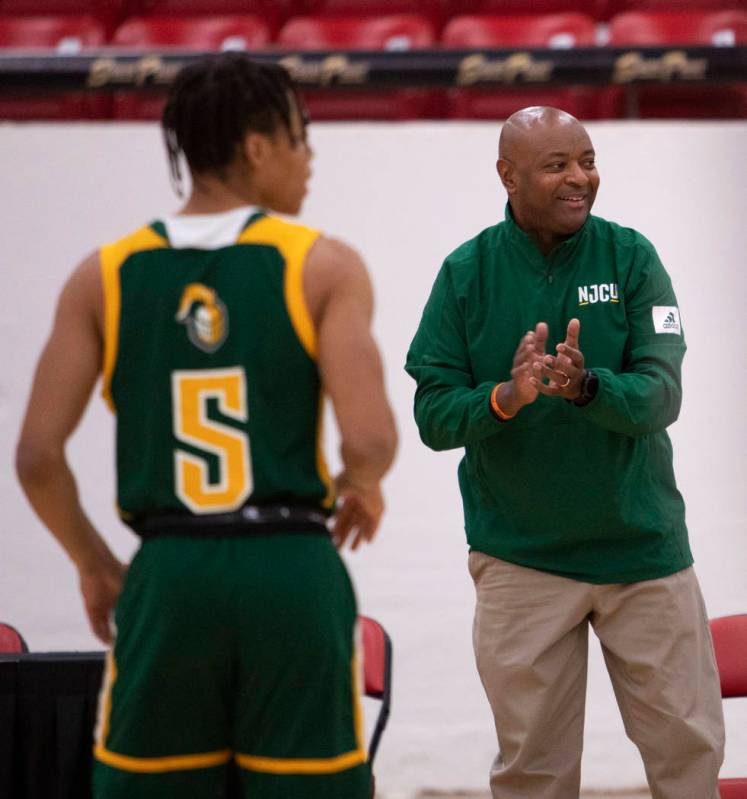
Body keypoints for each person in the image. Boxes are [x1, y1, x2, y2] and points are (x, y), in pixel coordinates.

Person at [15, 53, 397, 799]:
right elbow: (371, 438)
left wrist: (94, 563)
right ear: (257, 147)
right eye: (300, 137)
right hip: (289, 568)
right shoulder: (323, 265)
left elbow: (36, 456)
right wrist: (363, 482)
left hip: (171, 568)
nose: (309, 158)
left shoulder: (104, 273)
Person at [405, 106, 724, 799]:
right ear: (507, 176)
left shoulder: (631, 257)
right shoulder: (465, 273)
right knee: (532, 774)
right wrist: (505, 398)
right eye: (557, 165)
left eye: (586, 160)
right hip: (521, 559)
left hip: (643, 554)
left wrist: (585, 386)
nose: (579, 177)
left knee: (687, 756)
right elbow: (432, 413)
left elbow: (661, 394)